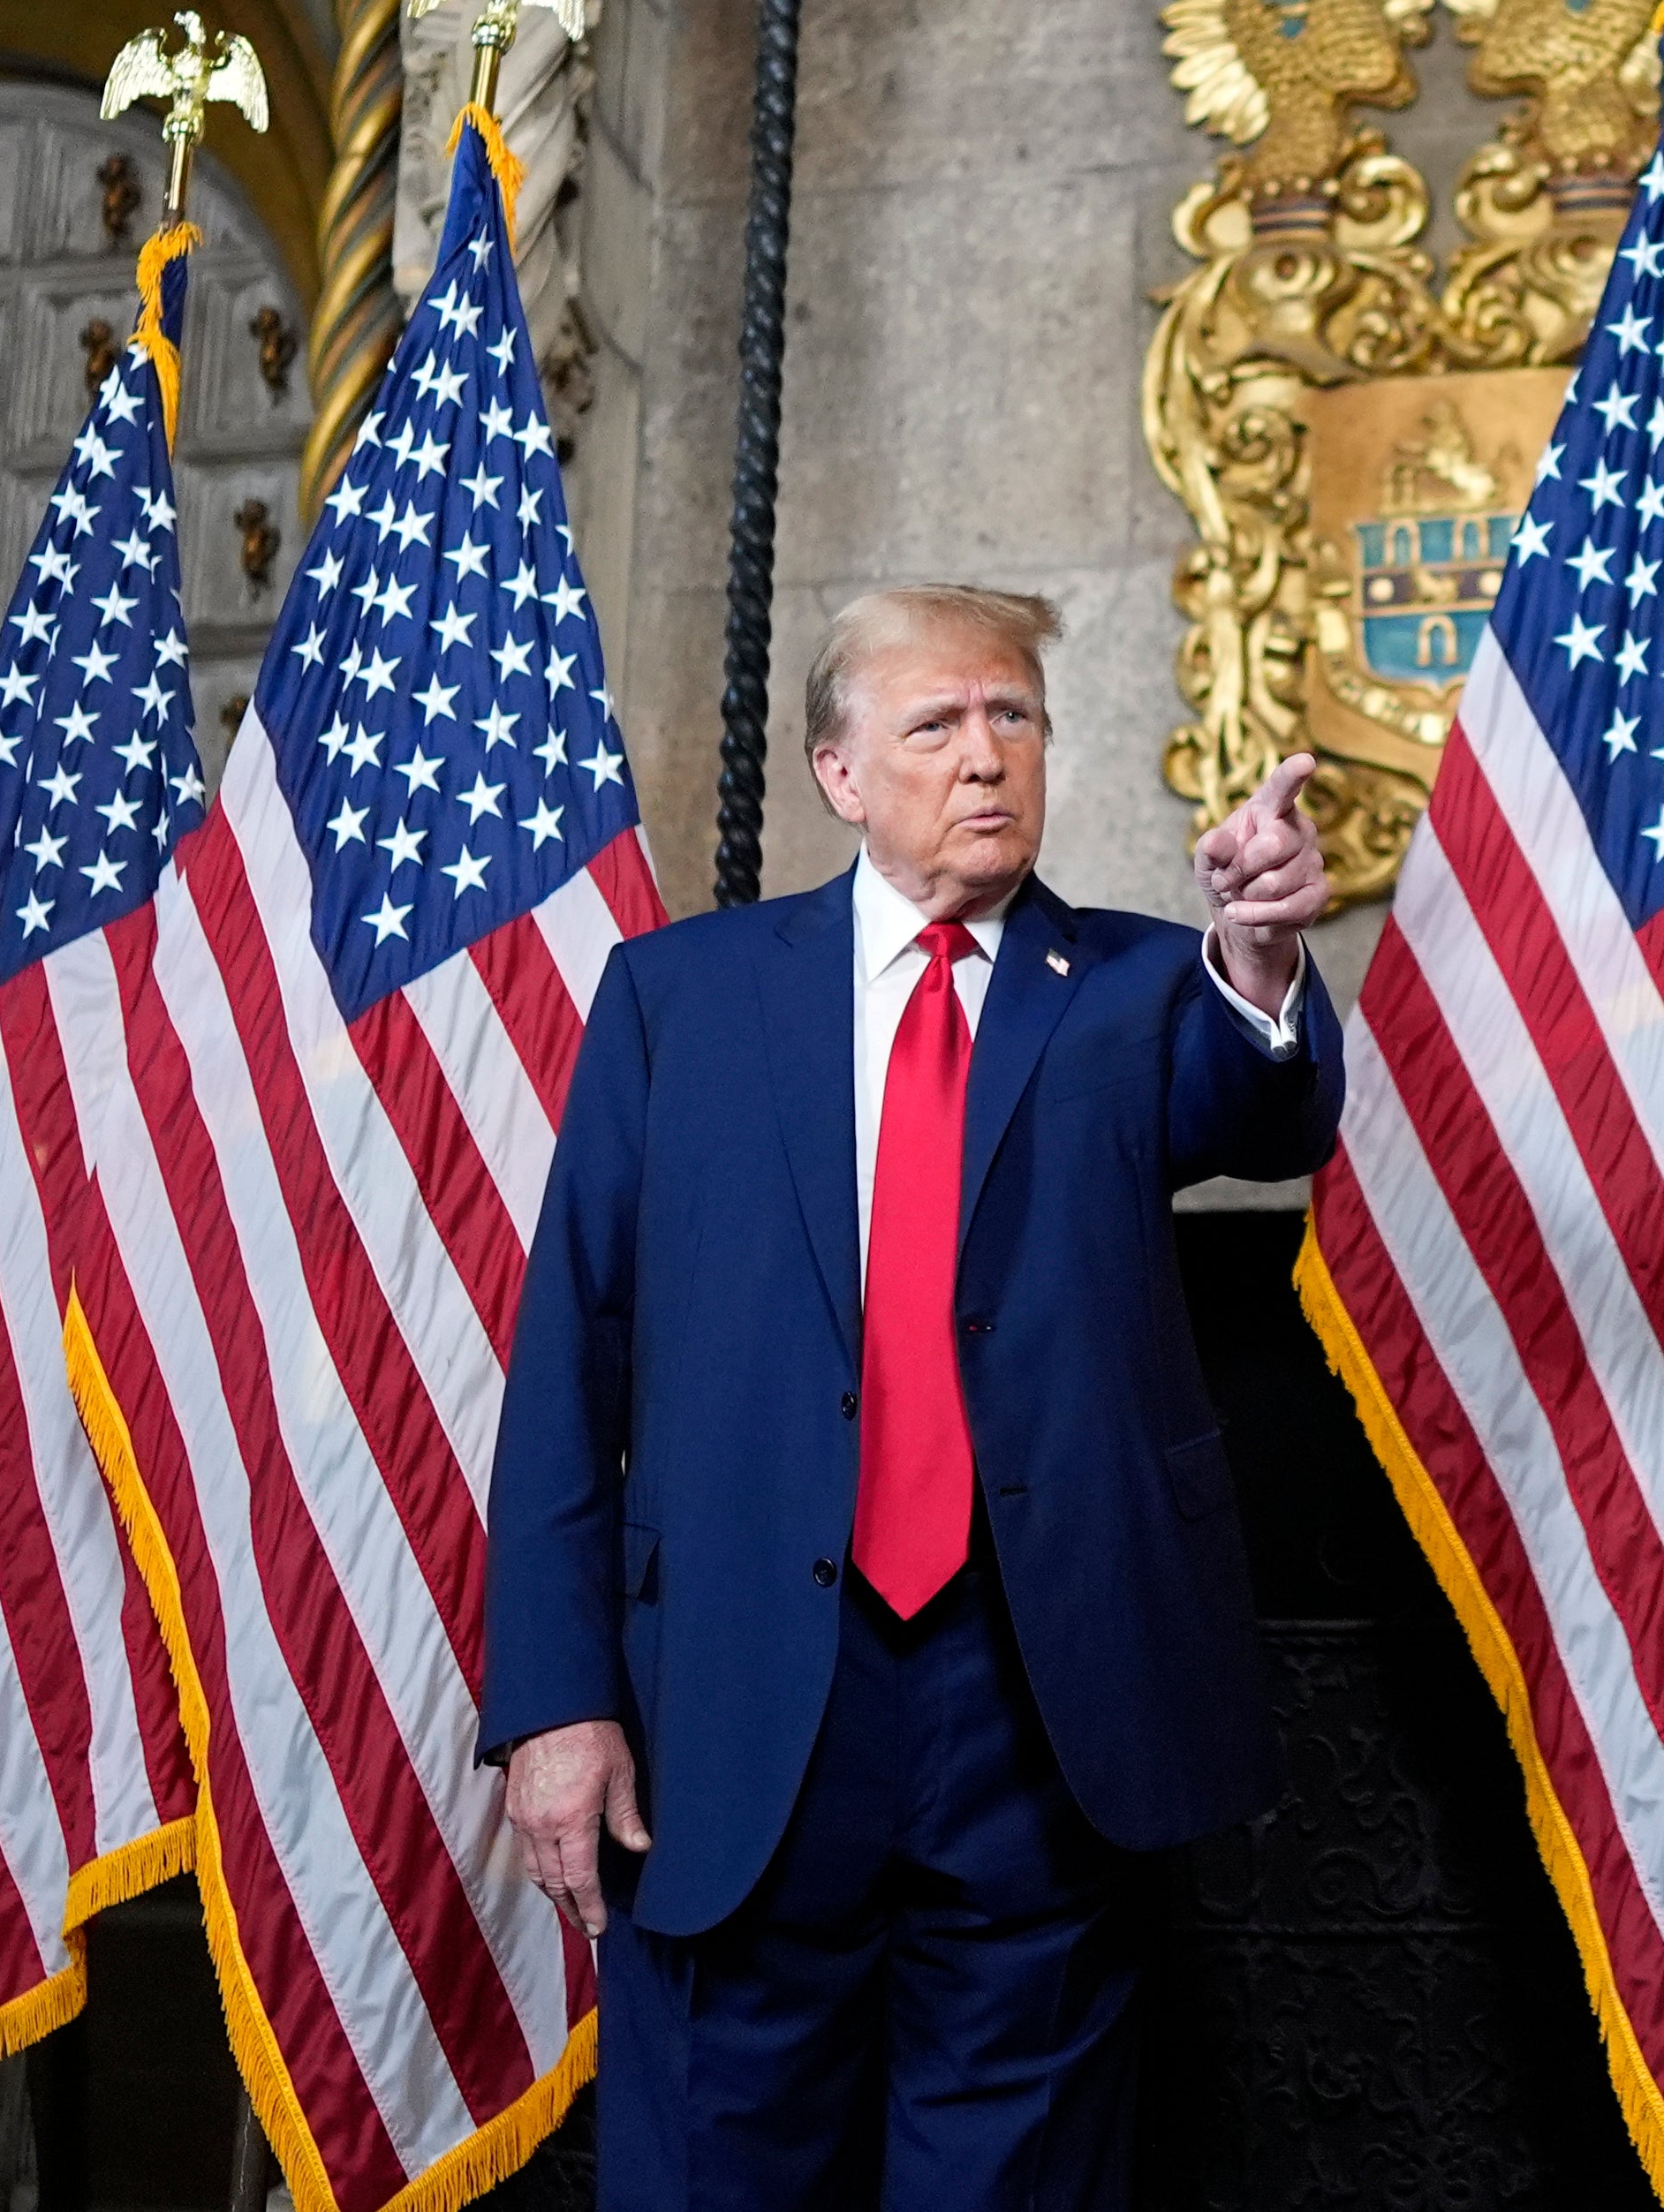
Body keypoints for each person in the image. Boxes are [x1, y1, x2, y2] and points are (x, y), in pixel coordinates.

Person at [477, 582, 1342, 2208]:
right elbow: (569, 1356)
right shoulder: (682, 1001)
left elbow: (1261, 1108)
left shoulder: (1144, 987)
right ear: (839, 773)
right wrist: (554, 1697)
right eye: (936, 723)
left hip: (1037, 1704)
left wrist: (1261, 949)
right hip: (734, 1711)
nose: (986, 755)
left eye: (1012, 715)